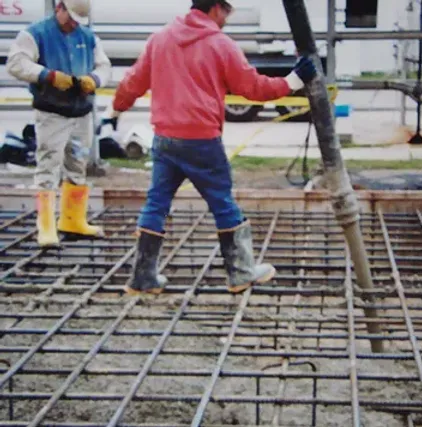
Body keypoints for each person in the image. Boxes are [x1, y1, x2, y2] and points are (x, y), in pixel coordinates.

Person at [106, 0, 317, 296]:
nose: (228, 17)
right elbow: (252, 88)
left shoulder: (161, 38)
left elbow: (133, 81)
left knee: (156, 203)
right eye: (228, 10)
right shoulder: (220, 44)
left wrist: (115, 109)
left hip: (165, 139)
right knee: (221, 201)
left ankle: (142, 278)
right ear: (217, 7)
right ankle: (241, 273)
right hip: (202, 139)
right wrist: (293, 81)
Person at [6, 0, 112, 248]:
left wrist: (94, 79)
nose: (74, 24)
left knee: (77, 165)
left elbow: (104, 66)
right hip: (51, 113)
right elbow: (16, 63)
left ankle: (72, 220)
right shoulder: (36, 34)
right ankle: (46, 227)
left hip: (80, 112)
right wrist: (47, 75)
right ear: (59, 8)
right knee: (48, 167)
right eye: (71, 18)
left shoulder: (86, 36)